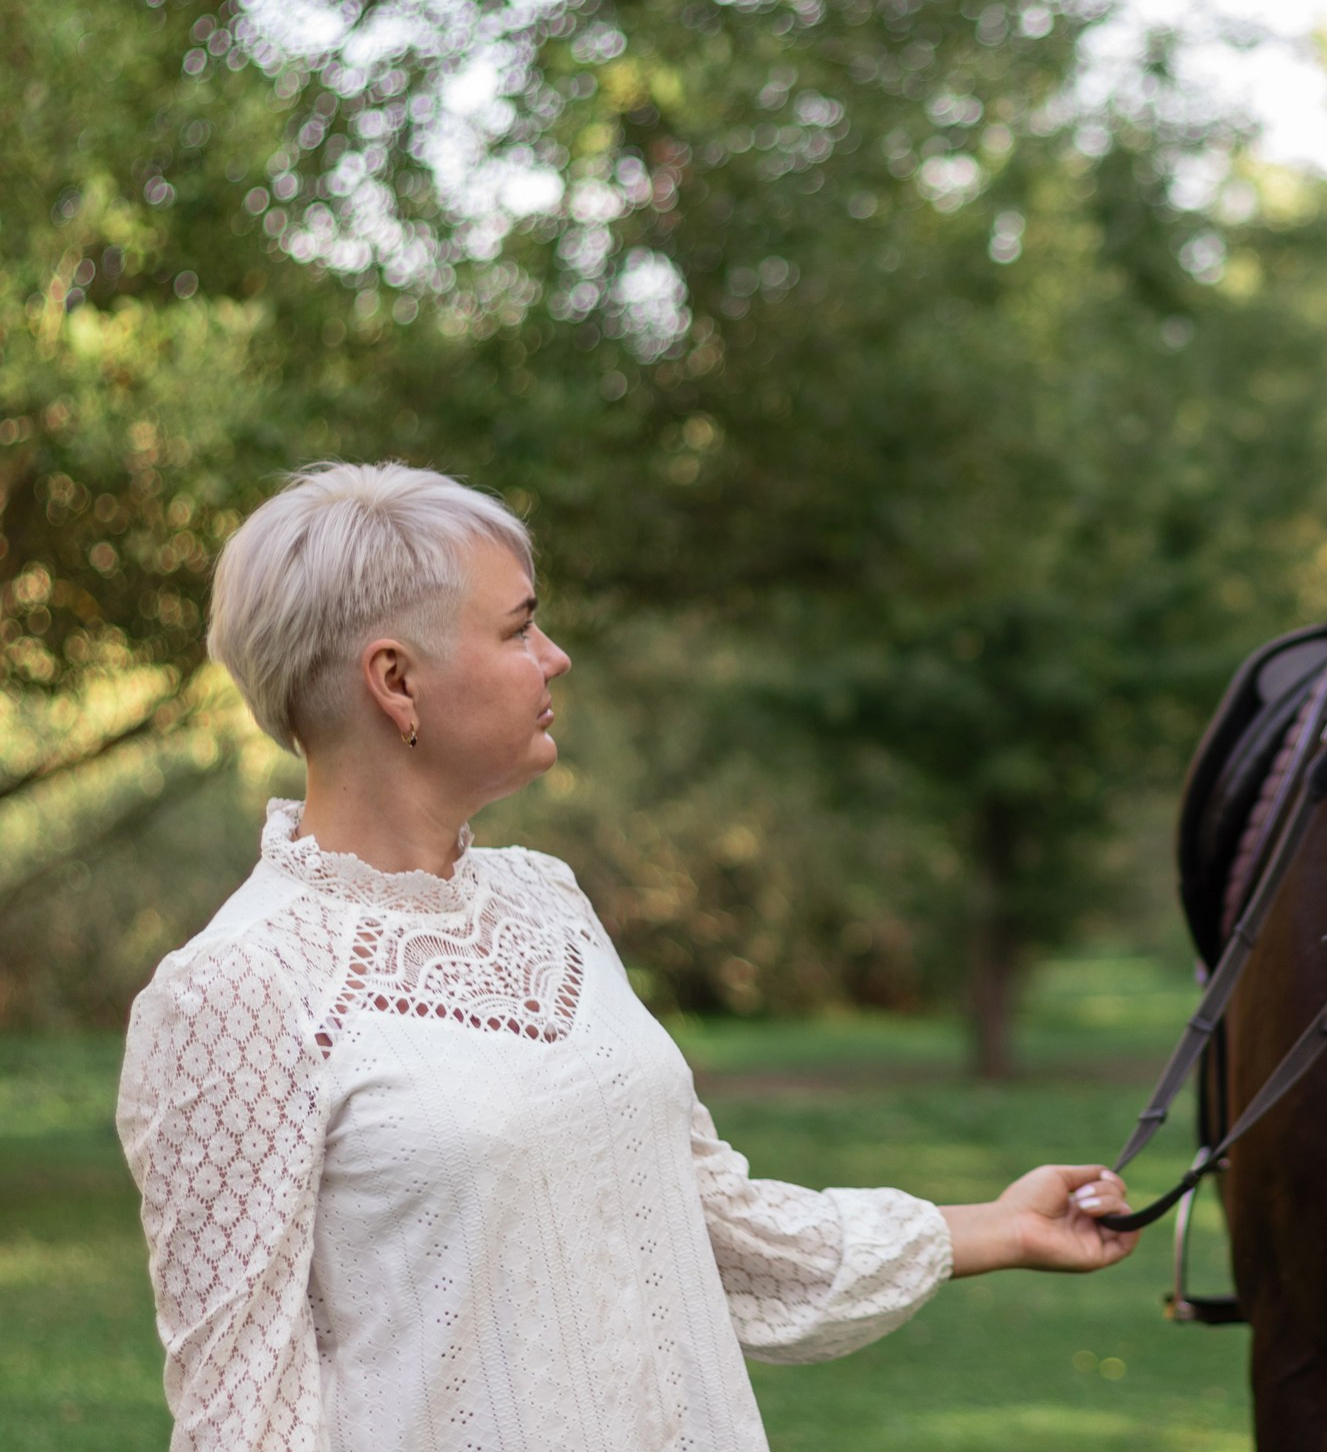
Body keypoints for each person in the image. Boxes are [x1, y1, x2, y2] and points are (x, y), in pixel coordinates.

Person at [116, 463, 1140, 1452]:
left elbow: (708, 1225)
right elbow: (242, 1414)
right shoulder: (237, 991)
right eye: (519, 627)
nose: (555, 656)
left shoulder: (546, 900)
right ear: (395, 679)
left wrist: (996, 1227)